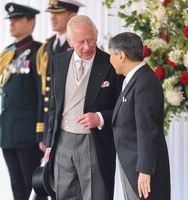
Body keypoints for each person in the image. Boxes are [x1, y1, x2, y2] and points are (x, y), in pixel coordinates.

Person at [44, 15, 123, 200]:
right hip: (62, 141)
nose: (87, 46)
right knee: (63, 195)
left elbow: (124, 108)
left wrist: (100, 118)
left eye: (91, 40)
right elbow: (54, 105)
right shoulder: (58, 61)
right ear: (70, 41)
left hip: (94, 142)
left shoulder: (111, 63)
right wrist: (49, 144)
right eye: (81, 42)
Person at [109, 32, 170, 200]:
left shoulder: (145, 81)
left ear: (121, 55)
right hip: (131, 162)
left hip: (140, 167)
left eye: (111, 55)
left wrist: (145, 170)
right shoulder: (134, 78)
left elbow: (147, 129)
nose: (110, 59)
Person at [0, 3, 44, 200]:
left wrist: (41, 131)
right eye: (10, 20)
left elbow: (42, 94)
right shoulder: (8, 52)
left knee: (36, 187)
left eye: (17, 19)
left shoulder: (39, 52)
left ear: (31, 22)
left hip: (29, 132)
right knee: (17, 188)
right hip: (8, 131)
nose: (11, 23)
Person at [36, 0, 84, 150]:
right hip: (50, 125)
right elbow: (44, 91)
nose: (52, 17)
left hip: (71, 125)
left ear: (73, 15)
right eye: (51, 13)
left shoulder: (82, 45)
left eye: (58, 13)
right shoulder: (47, 47)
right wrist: (42, 131)